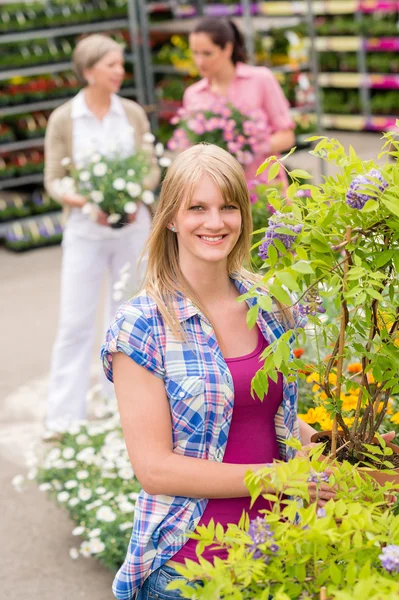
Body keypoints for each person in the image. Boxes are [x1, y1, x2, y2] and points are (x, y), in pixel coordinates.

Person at [101, 143, 334, 600]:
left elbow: (259, 414)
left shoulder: (264, 301)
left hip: (282, 556)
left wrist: (325, 447)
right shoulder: (143, 324)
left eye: (228, 207)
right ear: (170, 217)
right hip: (192, 572)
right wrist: (279, 478)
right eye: (197, 208)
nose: (215, 222)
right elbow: (155, 469)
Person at [44, 34, 160, 434]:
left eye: (121, 64)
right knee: (75, 322)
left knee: (129, 319)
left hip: (132, 229)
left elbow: (151, 168)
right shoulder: (64, 119)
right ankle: (63, 416)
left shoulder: (130, 114)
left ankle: (122, 410)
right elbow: (54, 180)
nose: (120, 71)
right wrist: (86, 202)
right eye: (112, 64)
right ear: (89, 69)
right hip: (85, 233)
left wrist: (133, 197)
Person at [183, 18, 295, 186]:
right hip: (219, 191)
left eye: (207, 53)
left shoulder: (260, 79)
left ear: (227, 49)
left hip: (264, 188)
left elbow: (287, 137)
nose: (200, 61)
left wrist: (246, 147)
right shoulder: (193, 94)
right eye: (195, 53)